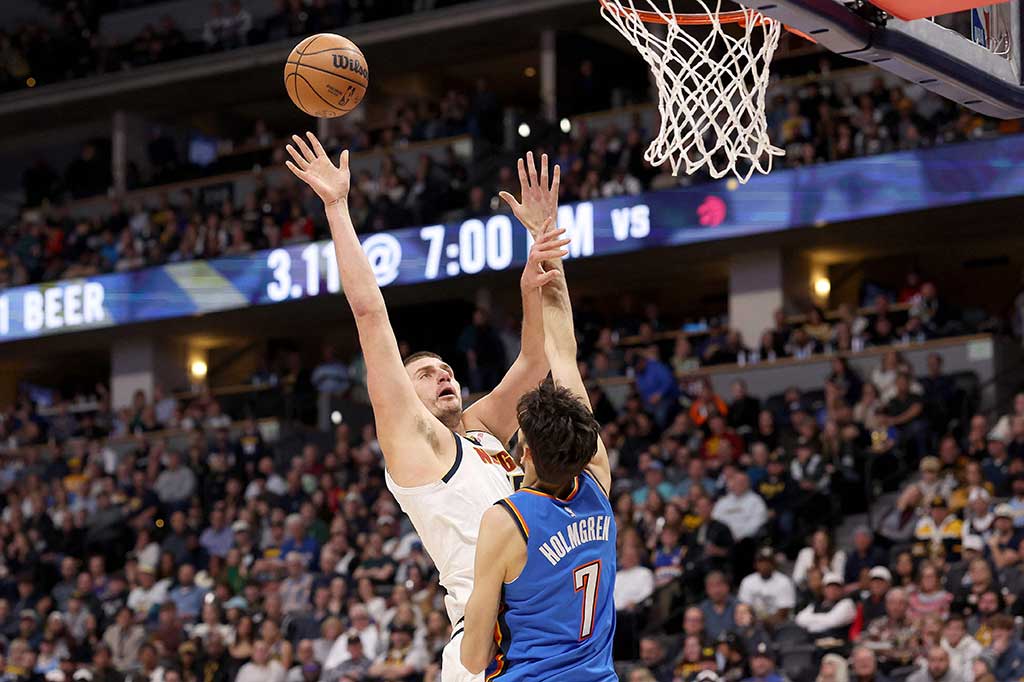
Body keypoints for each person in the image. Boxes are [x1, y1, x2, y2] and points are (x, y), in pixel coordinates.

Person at [286, 139, 561, 682]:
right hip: (488, 643)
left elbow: (535, 360)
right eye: (426, 374)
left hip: (540, 629)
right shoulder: (416, 444)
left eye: (447, 370)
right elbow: (370, 313)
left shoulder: (480, 431)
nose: (444, 376)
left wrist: (537, 259)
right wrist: (337, 206)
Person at [461, 223, 615, 681]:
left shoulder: (507, 520)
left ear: (524, 452)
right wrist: (548, 241)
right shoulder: (597, 482)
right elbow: (563, 350)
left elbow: (472, 658)